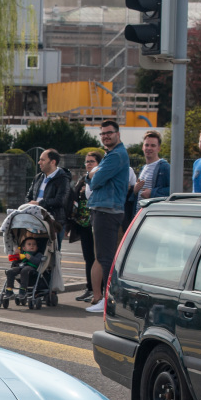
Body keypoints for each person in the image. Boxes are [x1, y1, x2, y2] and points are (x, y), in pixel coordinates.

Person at [85, 121, 128, 313]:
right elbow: (93, 177)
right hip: (104, 209)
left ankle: (107, 300)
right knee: (104, 256)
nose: (105, 136)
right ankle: (105, 299)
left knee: (106, 257)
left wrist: (94, 173)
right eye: (102, 134)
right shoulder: (112, 155)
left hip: (107, 210)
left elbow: (95, 181)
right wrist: (93, 173)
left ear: (118, 134)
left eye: (109, 133)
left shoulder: (116, 155)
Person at [74, 150, 101, 303]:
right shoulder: (83, 179)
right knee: (88, 257)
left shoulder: (98, 178)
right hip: (83, 223)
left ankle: (97, 289)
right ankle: (89, 287)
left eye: (92, 161)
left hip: (95, 221)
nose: (88, 164)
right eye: (87, 162)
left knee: (97, 258)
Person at [27, 149, 70, 223]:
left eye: (42, 160)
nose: (39, 162)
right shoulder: (38, 177)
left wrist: (39, 204)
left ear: (53, 162)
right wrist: (29, 205)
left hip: (54, 222)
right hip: (35, 219)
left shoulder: (63, 179)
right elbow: (29, 196)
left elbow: (60, 201)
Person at [137, 130, 171, 200]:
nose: (149, 148)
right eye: (146, 145)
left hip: (153, 210)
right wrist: (134, 190)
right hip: (141, 211)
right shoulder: (143, 168)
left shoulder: (164, 167)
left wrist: (152, 193)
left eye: (153, 146)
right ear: (142, 147)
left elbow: (174, 190)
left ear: (159, 148)